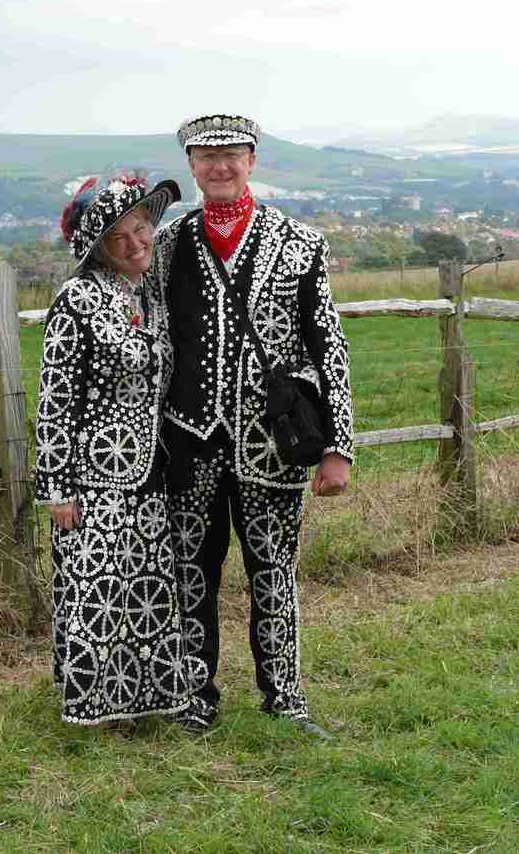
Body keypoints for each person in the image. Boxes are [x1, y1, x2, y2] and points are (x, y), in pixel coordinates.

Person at [153, 114, 354, 737]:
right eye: (206, 155)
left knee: (274, 569)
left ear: (252, 159)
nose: (219, 165)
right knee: (189, 570)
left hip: (272, 443)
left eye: (231, 153)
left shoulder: (300, 243)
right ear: (190, 165)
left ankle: (286, 697)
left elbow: (330, 346)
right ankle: (193, 697)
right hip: (188, 439)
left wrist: (338, 447)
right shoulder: (167, 246)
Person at [35, 175, 191, 728]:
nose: (135, 242)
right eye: (119, 235)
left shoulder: (146, 296)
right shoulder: (76, 299)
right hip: (92, 474)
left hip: (150, 467)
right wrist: (55, 488)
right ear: (98, 247)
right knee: (96, 588)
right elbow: (55, 398)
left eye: (142, 228)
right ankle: (92, 702)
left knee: (144, 583)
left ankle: (144, 697)